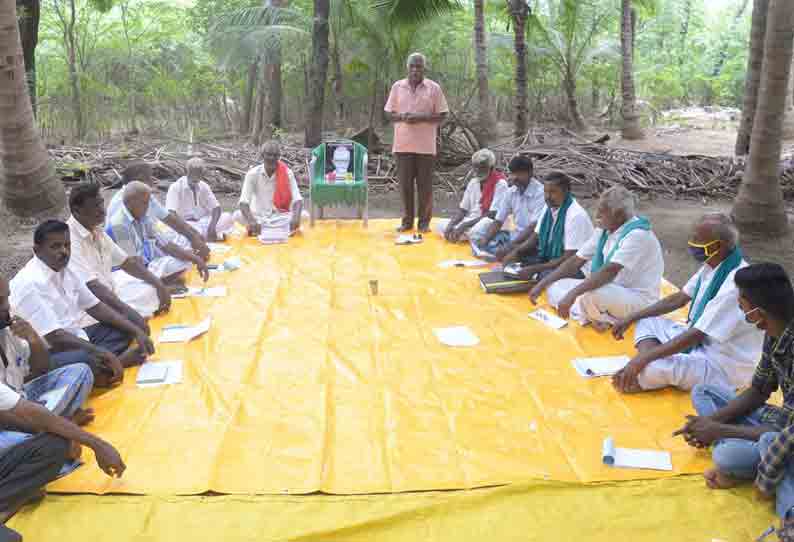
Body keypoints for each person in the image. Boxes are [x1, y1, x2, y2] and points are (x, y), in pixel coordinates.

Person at [673, 264, 794, 539]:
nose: (741, 313)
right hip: (782, 423)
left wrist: (720, 431)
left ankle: (744, 464)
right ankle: (744, 458)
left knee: (732, 453)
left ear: (758, 310)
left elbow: (788, 434)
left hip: (787, 434)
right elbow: (759, 390)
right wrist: (710, 422)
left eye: (742, 307)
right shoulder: (775, 334)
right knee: (704, 392)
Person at [611, 213, 763, 393]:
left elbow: (696, 335)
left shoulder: (734, 285)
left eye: (697, 239)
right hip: (700, 342)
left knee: (646, 372)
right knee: (646, 321)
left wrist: (640, 362)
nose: (691, 242)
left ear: (717, 246)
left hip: (720, 365)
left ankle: (649, 366)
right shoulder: (713, 265)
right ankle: (650, 360)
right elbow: (679, 298)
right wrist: (631, 317)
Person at [0, 328, 125, 538]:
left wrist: (31, 336)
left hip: (22, 403)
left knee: (81, 371)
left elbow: (40, 368)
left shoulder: (8, 331)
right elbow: (14, 414)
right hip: (7, 424)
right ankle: (17, 493)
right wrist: (92, 442)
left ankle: (56, 429)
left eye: (6, 300)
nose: (7, 308)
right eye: (2, 302)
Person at [10, 221, 155, 388]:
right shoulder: (29, 283)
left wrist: (136, 329)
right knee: (84, 360)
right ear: (37, 250)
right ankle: (114, 363)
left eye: (67, 245)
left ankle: (104, 367)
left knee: (125, 328)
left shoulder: (66, 268)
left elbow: (95, 307)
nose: (64, 252)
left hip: (76, 336)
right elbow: (55, 337)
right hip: (47, 353)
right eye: (55, 246)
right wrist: (101, 352)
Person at [529, 186, 664, 330]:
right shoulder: (605, 229)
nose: (597, 215)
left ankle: (601, 318)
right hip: (612, 290)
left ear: (618, 215)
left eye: (602, 211)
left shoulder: (637, 235)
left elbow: (609, 271)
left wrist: (573, 295)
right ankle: (591, 313)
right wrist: (543, 283)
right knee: (555, 285)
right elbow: (576, 260)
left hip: (637, 298)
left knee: (591, 295)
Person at [67, 183, 171, 323]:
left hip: (112, 291)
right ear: (77, 210)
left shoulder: (97, 229)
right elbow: (92, 287)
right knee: (130, 315)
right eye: (95, 206)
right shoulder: (69, 239)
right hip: (91, 307)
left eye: (101, 204)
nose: (102, 211)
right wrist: (127, 311)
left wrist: (159, 284)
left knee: (151, 292)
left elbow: (127, 262)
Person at [384, 52, 449, 233]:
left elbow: (443, 114)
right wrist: (402, 116)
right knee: (405, 186)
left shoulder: (434, 88)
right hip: (402, 146)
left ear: (424, 68)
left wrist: (421, 117)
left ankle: (424, 223)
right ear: (407, 68)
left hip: (426, 147)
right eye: (412, 66)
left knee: (425, 187)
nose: (415, 70)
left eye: (418, 66)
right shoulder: (398, 87)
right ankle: (407, 222)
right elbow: (388, 113)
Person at [106, 181, 209, 285]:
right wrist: (158, 285)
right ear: (131, 203)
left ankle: (156, 286)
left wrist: (196, 259)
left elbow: (166, 245)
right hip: (125, 274)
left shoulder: (143, 218)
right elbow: (133, 266)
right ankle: (156, 287)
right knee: (141, 289)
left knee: (185, 261)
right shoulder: (118, 225)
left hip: (144, 266)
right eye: (144, 203)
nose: (148, 206)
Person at [499, 172, 594, 280]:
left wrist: (535, 269)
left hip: (576, 266)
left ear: (566, 191)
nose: (547, 196)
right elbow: (535, 237)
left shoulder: (576, 216)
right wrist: (516, 252)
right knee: (508, 253)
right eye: (545, 192)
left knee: (543, 275)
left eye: (553, 192)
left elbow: (570, 258)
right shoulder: (548, 207)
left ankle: (535, 276)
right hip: (551, 257)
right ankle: (532, 274)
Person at [108, 161, 210, 261]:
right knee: (177, 259)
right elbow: (130, 261)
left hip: (145, 248)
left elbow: (166, 224)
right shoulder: (119, 216)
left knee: (181, 253)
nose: (153, 180)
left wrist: (194, 239)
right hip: (130, 260)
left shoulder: (142, 203)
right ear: (140, 178)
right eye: (150, 176)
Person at [471, 155, 545, 260]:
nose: (514, 177)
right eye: (512, 173)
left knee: (510, 254)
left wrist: (510, 246)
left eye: (519, 173)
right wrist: (485, 241)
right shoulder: (511, 192)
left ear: (530, 173)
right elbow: (498, 221)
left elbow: (533, 227)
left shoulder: (541, 193)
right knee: (481, 239)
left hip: (533, 240)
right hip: (515, 237)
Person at [435, 149, 508, 243]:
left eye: (482, 167)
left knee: (476, 231)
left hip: (491, 222)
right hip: (473, 220)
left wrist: (464, 225)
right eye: (476, 167)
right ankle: (463, 235)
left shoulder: (501, 184)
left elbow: (492, 215)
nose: (477, 170)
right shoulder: (473, 182)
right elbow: (463, 210)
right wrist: (451, 225)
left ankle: (464, 235)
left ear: (491, 168)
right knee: (440, 225)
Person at [236, 141, 304, 237]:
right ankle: (271, 230)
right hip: (258, 217)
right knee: (237, 216)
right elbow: (243, 202)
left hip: (280, 217)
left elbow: (298, 200)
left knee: (304, 215)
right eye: (269, 154)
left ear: (279, 157)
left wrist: (296, 218)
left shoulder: (287, 173)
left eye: (275, 155)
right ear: (262, 155)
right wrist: (252, 221)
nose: (272, 158)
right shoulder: (253, 174)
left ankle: (264, 231)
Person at [166, 158, 235, 242]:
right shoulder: (175, 187)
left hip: (203, 222)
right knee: (191, 232)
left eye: (198, 174)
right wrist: (190, 228)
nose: (195, 177)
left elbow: (216, 208)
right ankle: (208, 236)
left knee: (227, 217)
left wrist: (212, 227)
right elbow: (171, 213)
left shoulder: (204, 186)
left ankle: (206, 236)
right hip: (186, 224)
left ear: (202, 174)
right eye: (193, 173)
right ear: (186, 172)